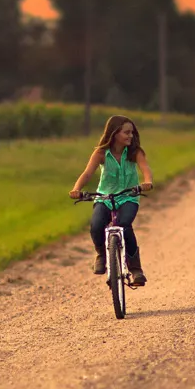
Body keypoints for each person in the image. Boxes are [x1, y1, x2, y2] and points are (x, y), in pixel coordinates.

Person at [69, 114, 155, 286]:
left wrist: (147, 182)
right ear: (114, 133)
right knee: (96, 225)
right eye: (126, 132)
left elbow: (145, 169)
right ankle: (101, 254)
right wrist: (77, 189)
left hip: (128, 197)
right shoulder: (101, 153)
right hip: (104, 197)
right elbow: (87, 173)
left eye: (132, 133)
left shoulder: (135, 152)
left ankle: (136, 269)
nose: (130, 136)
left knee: (124, 225)